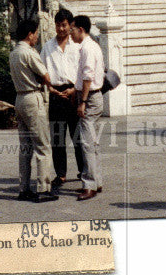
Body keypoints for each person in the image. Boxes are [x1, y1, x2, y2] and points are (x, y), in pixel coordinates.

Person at [8, 18, 58, 202]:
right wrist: (49, 84)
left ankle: (24, 188)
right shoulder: (29, 53)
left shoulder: (13, 53)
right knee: (43, 146)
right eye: (36, 33)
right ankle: (44, 188)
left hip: (19, 98)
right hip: (32, 98)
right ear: (30, 35)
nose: (37, 36)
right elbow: (46, 75)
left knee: (25, 148)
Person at [41, 7, 85, 189]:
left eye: (64, 25)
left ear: (70, 26)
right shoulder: (48, 46)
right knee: (58, 138)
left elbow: (84, 72)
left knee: (78, 137)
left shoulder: (77, 46)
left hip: (73, 93)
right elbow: (41, 70)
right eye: (58, 25)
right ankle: (61, 174)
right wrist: (49, 88)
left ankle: (84, 172)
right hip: (56, 94)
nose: (61, 29)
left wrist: (75, 90)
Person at [70, 14, 105, 201]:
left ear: (81, 30)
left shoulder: (87, 49)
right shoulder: (90, 47)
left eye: (72, 29)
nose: (70, 33)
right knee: (92, 142)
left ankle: (89, 184)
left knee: (86, 143)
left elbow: (88, 77)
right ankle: (96, 180)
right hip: (91, 97)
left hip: (90, 98)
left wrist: (82, 101)